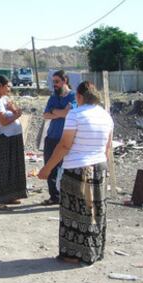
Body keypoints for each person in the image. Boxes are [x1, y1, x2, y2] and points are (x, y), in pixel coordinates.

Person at [37, 81, 114, 266]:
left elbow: (65, 145)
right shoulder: (106, 116)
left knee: (74, 214)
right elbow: (108, 148)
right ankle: (93, 252)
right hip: (99, 168)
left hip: (78, 170)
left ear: (79, 97)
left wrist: (47, 169)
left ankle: (73, 254)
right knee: (95, 212)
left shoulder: (75, 114)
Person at [0, 75, 28, 210]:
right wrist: (16, 115)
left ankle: (10, 196)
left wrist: (14, 111)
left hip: (13, 137)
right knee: (2, 171)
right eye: (7, 86)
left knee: (13, 168)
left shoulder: (4, 99)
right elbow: (3, 122)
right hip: (3, 138)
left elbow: (17, 111)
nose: (9, 89)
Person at [41, 70, 77, 205]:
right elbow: (45, 115)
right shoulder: (53, 97)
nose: (54, 85)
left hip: (66, 138)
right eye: (53, 82)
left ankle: (66, 197)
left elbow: (68, 112)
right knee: (50, 167)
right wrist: (60, 113)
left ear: (65, 81)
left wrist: (54, 111)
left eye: (57, 82)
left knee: (67, 169)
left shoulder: (73, 96)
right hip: (51, 137)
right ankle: (54, 197)